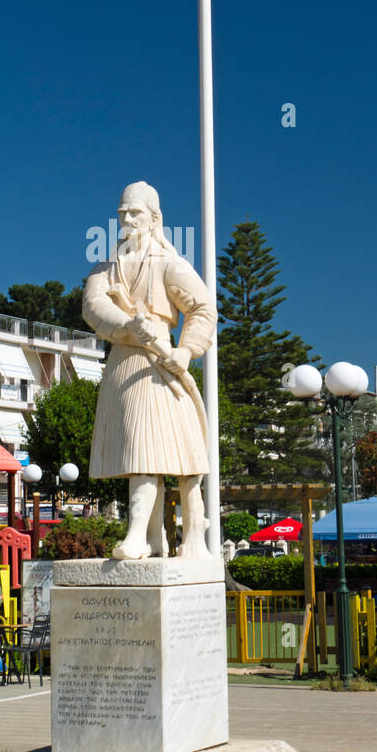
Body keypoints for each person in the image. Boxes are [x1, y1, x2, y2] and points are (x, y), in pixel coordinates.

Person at [82, 180, 217, 560]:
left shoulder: (170, 264)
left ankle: (143, 536)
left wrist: (187, 350)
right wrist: (126, 328)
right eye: (122, 212)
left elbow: (204, 308)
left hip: (158, 364)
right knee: (138, 452)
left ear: (154, 217)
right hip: (125, 360)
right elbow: (93, 306)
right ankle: (153, 538)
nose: (127, 218)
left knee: (155, 452)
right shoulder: (106, 268)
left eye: (135, 211)